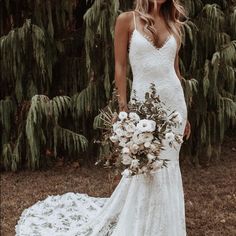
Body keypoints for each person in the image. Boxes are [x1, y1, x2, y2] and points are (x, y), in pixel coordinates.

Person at [15, 0, 191, 235]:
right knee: (145, 166)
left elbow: (175, 71)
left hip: (173, 105)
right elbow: (119, 67)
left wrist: (184, 113)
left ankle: (165, 227)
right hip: (142, 105)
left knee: (167, 166)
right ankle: (140, 226)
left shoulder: (173, 24)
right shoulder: (126, 20)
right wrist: (123, 107)